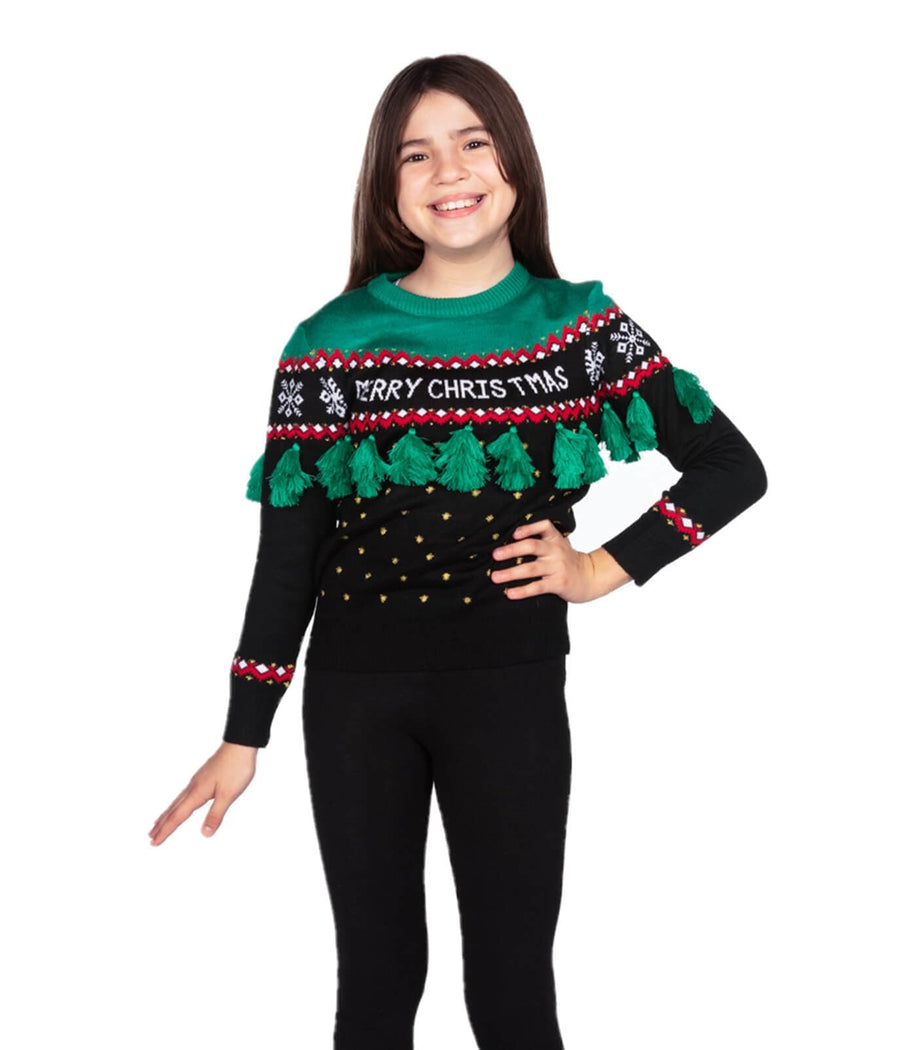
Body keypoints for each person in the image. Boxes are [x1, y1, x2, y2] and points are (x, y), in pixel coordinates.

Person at [148, 54, 767, 1050]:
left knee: (512, 990)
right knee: (379, 979)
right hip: (356, 703)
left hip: (510, 690)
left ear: (513, 160)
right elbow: (288, 555)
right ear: (387, 186)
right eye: (416, 155)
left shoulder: (578, 328)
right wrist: (242, 731)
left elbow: (732, 466)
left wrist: (600, 569)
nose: (450, 172)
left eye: (473, 143)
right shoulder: (331, 343)